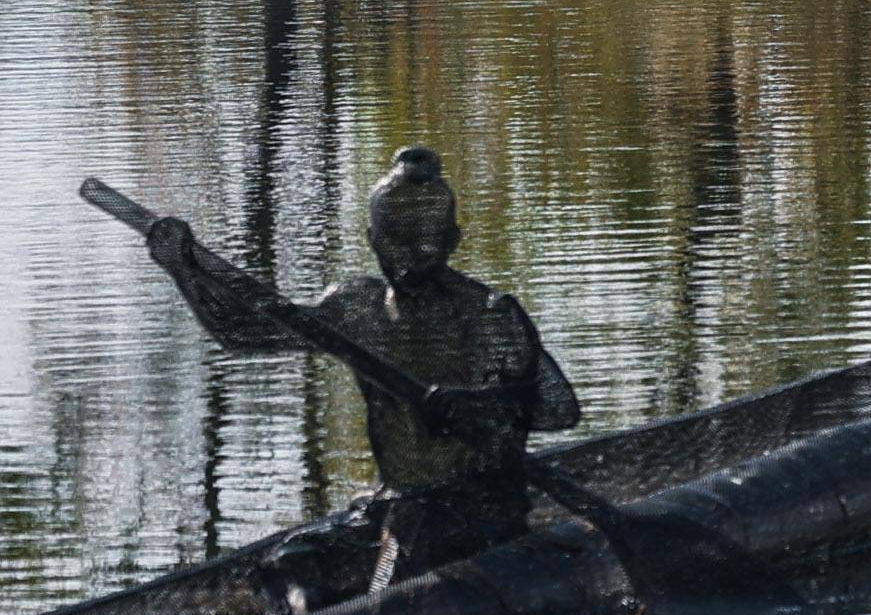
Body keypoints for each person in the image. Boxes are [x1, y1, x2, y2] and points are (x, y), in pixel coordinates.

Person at [146, 147, 582, 589]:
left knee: (399, 569)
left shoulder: (489, 313)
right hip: (395, 502)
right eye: (396, 240)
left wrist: (471, 403)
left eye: (425, 241)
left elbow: (558, 409)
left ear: (453, 239)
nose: (410, 256)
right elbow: (244, 333)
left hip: (478, 507)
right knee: (287, 567)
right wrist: (184, 269)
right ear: (372, 238)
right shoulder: (357, 309)